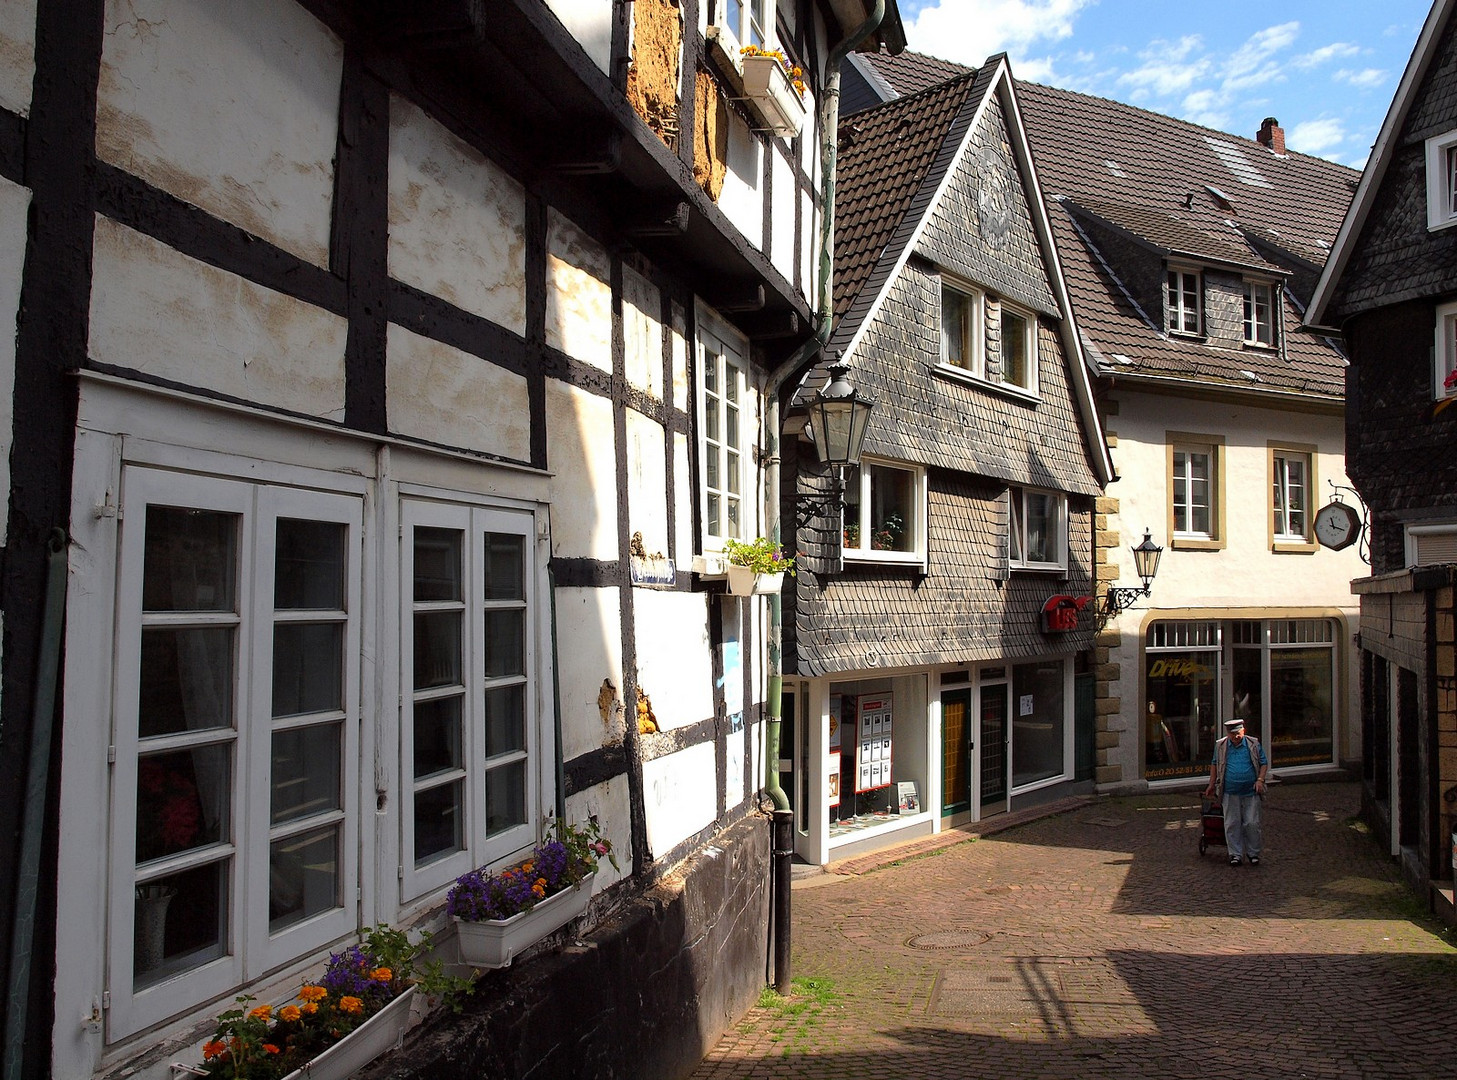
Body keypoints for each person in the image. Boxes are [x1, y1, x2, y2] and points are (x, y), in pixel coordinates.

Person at [1204, 718, 1269, 866]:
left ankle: (1253, 853)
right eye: (1232, 734)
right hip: (1229, 791)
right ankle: (1235, 854)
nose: (1235, 737)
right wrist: (1211, 784)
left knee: (1252, 823)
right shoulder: (1221, 745)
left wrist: (1260, 780)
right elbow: (1215, 764)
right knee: (1232, 823)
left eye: (1238, 733)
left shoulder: (1253, 744)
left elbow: (1263, 763)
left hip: (1250, 791)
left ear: (1243, 731)